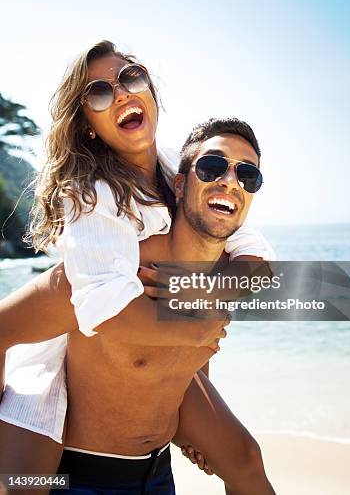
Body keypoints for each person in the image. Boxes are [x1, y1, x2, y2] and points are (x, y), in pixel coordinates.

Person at [0, 41, 274, 493]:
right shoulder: (90, 196)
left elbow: (248, 247)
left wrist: (210, 298)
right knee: (21, 481)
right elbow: (103, 307)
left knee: (244, 456)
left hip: (152, 438)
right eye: (100, 93)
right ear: (86, 125)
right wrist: (198, 330)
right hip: (67, 362)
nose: (123, 94)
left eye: (130, 77)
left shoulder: (180, 171)